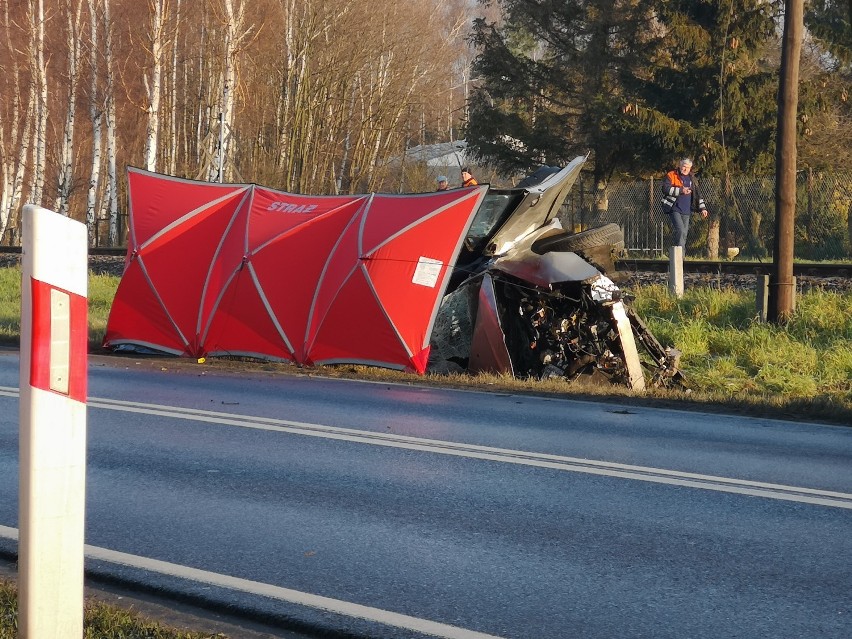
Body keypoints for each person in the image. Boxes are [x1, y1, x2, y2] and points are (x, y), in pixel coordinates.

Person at [661, 158, 709, 248]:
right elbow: (665, 189)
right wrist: (680, 190)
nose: (685, 169)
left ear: (690, 168)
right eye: (684, 166)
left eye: (688, 167)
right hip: (674, 208)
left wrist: (703, 208)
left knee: (684, 235)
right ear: (680, 166)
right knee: (680, 230)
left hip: (687, 210)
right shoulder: (671, 175)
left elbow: (698, 195)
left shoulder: (692, 179)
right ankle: (677, 254)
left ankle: (681, 258)